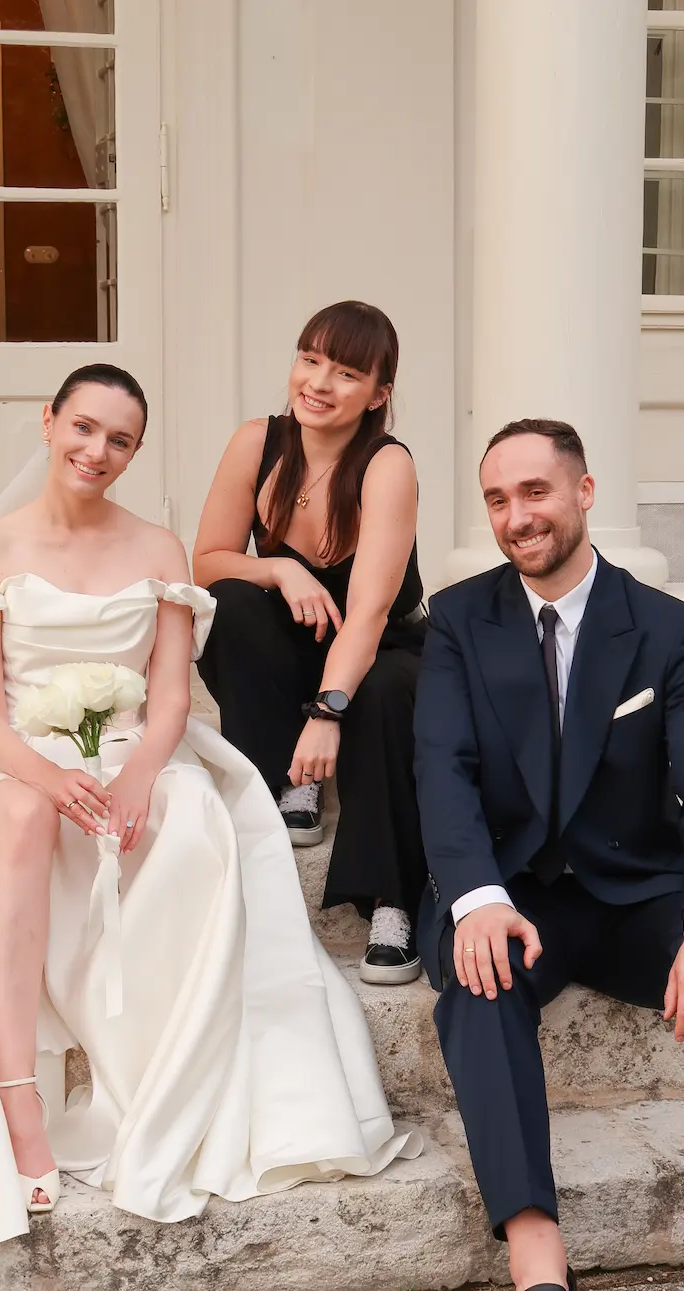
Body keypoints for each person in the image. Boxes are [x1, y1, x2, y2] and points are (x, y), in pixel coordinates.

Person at [0, 363, 420, 1264]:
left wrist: (137, 775)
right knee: (24, 819)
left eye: (120, 440)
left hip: (136, 749)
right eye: (84, 428)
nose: (97, 451)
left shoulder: (156, 549)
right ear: (49, 422)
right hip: (12, 756)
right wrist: (49, 777)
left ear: (134, 453)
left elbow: (169, 695)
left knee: (189, 815)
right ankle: (17, 1094)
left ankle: (160, 1069)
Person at [414, 418, 684, 1291]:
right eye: (497, 500)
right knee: (478, 981)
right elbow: (442, 774)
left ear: (583, 492)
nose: (515, 517)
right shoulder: (458, 620)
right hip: (513, 893)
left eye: (534, 492)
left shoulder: (665, 628)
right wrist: (475, 899)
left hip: (629, 890)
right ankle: (539, 1265)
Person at [193, 301, 428, 985]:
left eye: (347, 373)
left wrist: (328, 713)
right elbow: (205, 562)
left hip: (383, 650)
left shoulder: (386, 464)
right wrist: (278, 568)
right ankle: (282, 779)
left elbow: (370, 613)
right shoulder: (257, 442)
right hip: (297, 645)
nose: (319, 383)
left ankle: (390, 902)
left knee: (384, 694)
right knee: (230, 603)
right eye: (311, 359)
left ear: (378, 394)